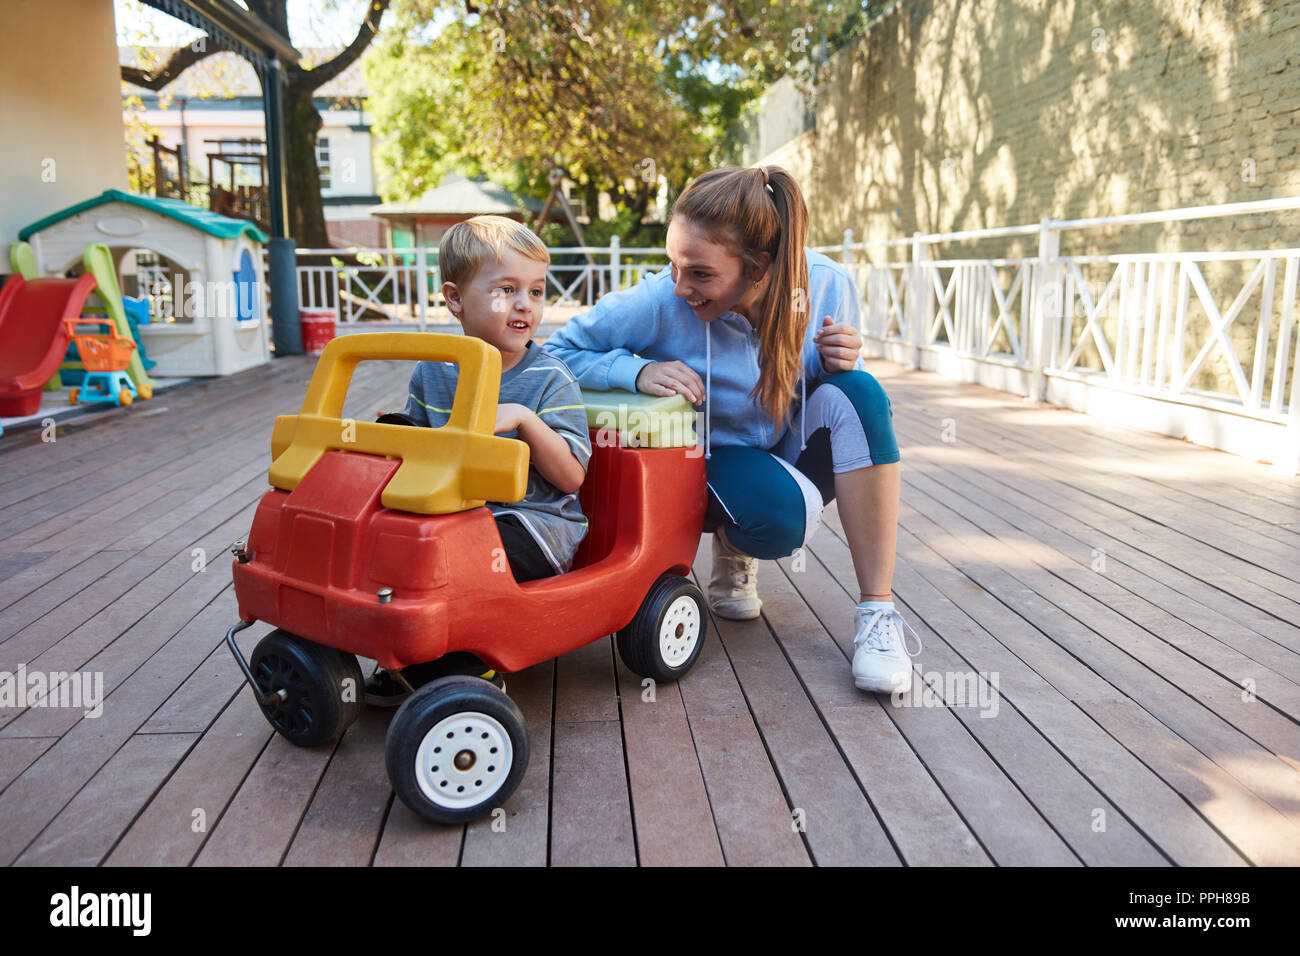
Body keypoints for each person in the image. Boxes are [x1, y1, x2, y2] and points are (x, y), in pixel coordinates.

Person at [543, 165, 920, 694]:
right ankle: (737, 536)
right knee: (779, 520)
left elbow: (832, 397)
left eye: (700, 274)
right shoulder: (659, 301)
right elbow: (554, 353)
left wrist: (845, 361)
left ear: (759, 266)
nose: (680, 287)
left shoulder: (827, 285)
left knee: (864, 395)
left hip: (783, 448)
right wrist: (634, 370)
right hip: (705, 462)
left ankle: (878, 614)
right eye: (673, 264)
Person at [365, 215, 591, 705]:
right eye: (505, 289)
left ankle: (465, 663)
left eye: (535, 290)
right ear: (454, 299)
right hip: (455, 513)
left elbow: (572, 475)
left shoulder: (551, 378)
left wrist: (527, 422)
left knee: (457, 553)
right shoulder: (434, 369)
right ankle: (404, 647)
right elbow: (424, 451)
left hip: (534, 523)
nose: (524, 305)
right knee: (388, 536)